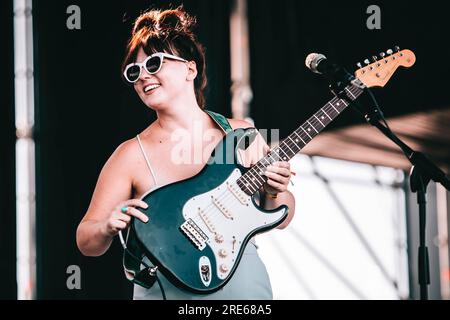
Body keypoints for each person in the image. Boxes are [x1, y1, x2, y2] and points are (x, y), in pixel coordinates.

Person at [76, 6, 296, 300]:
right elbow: (86, 240)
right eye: (134, 71)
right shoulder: (130, 155)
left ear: (190, 69)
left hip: (244, 288)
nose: (143, 76)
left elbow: (283, 215)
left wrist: (274, 192)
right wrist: (105, 226)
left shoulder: (239, 133)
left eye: (154, 63)